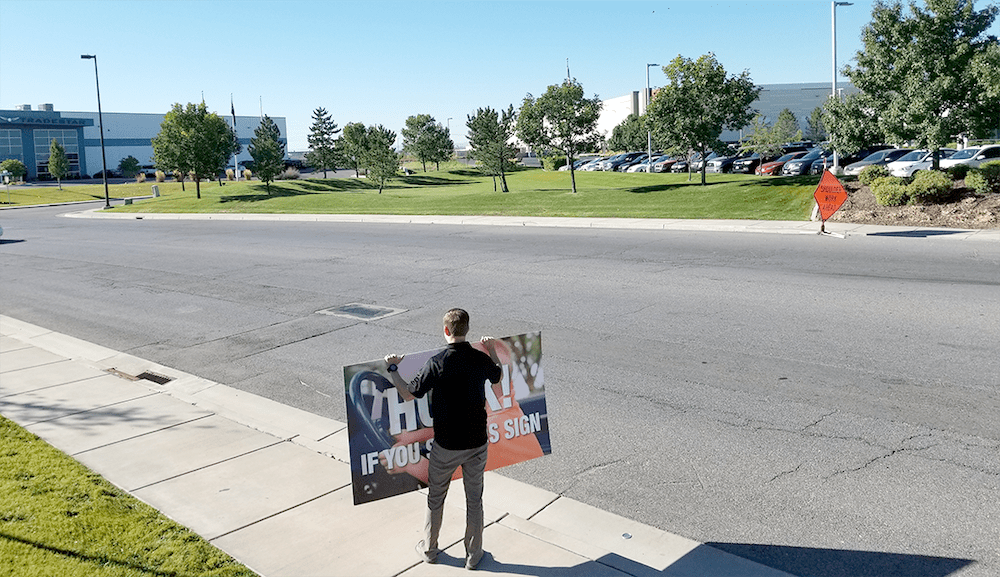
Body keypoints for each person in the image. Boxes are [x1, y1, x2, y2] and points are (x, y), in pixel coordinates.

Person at [384, 308, 502, 570]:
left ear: (446, 331)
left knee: (436, 498)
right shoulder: (479, 358)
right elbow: (498, 375)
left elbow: (408, 394)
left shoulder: (437, 362)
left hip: (446, 446)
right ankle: (474, 555)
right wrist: (491, 348)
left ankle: (430, 549)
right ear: (467, 330)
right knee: (475, 499)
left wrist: (393, 368)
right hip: (477, 443)